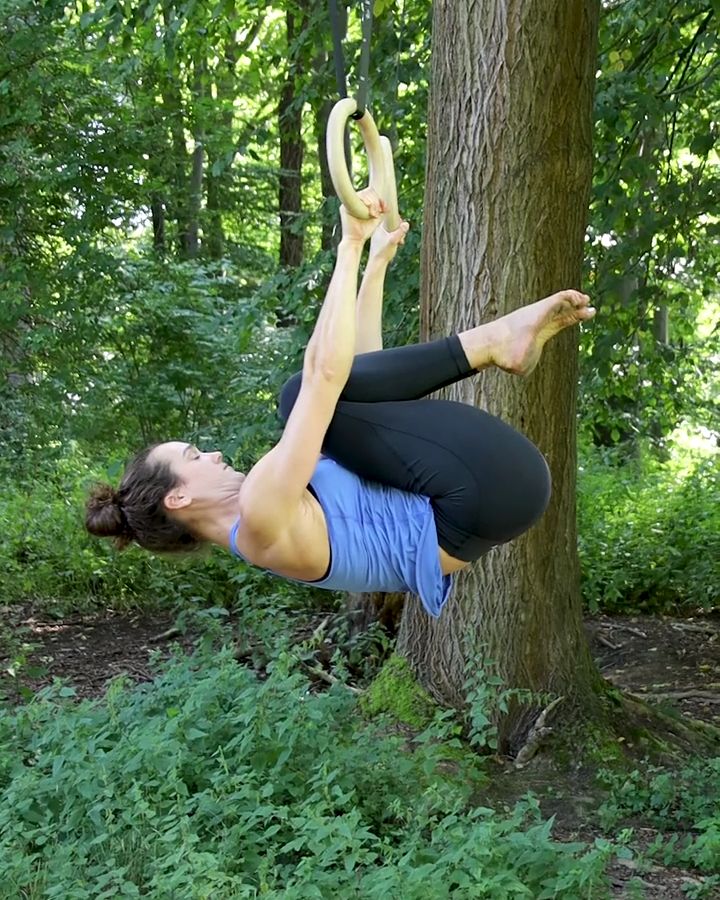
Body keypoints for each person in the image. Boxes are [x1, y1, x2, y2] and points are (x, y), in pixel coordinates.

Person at [86, 190, 595, 618]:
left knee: (326, 404)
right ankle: (492, 342)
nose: (213, 455)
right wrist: (348, 244)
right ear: (176, 498)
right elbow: (322, 376)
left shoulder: (269, 515)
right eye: (194, 457)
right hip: (483, 489)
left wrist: (374, 267)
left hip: (493, 497)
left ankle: (497, 341)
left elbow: (365, 385)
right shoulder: (260, 512)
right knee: (297, 396)